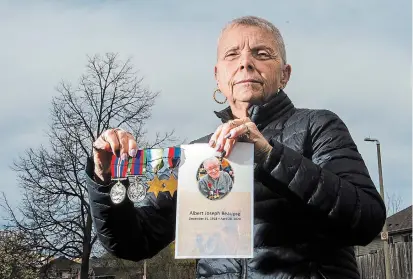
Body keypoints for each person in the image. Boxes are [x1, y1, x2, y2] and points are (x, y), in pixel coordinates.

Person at [88, 16, 386, 279]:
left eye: (262, 53)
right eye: (233, 54)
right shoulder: (197, 154)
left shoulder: (317, 127)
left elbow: (367, 219)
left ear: (285, 74)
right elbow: (134, 242)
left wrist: (270, 156)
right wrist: (105, 180)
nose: (245, 62)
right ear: (218, 75)